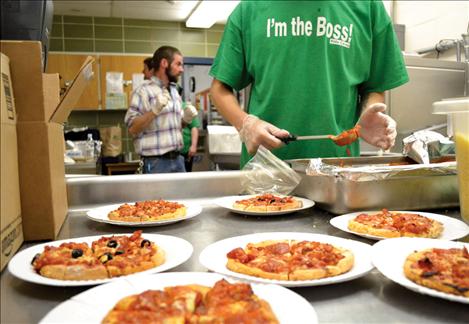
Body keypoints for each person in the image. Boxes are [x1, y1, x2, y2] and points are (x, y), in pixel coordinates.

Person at [209, 1, 409, 168]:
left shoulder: (368, 7)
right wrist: (246, 124)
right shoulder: (250, 9)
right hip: (266, 172)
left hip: (337, 173)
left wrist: (367, 115)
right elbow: (219, 89)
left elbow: (374, 86)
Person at [124, 46, 198, 173]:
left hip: (178, 160)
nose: (181, 69)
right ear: (164, 63)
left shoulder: (174, 91)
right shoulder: (142, 91)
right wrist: (153, 111)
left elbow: (175, 127)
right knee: (157, 195)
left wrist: (185, 120)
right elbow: (132, 128)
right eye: (178, 64)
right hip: (155, 163)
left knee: (183, 194)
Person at [181, 103, 200, 172]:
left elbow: (194, 127)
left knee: (186, 174)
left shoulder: (185, 106)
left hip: (185, 150)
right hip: (172, 151)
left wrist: (193, 146)